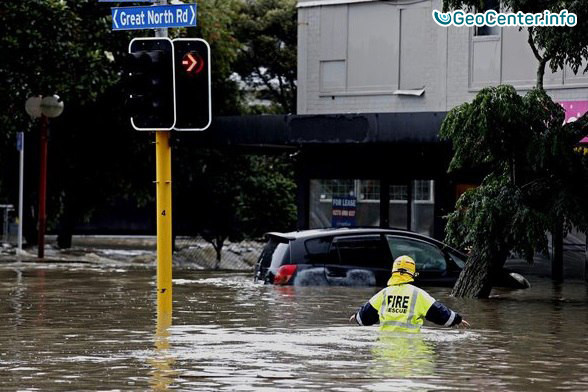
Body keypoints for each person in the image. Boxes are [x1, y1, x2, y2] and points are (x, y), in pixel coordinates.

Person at [349, 255, 470, 332]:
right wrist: (457, 319)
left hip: (385, 347)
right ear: (412, 273)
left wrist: (357, 316)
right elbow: (439, 313)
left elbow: (365, 316)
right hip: (412, 347)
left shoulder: (384, 293)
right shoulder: (418, 294)